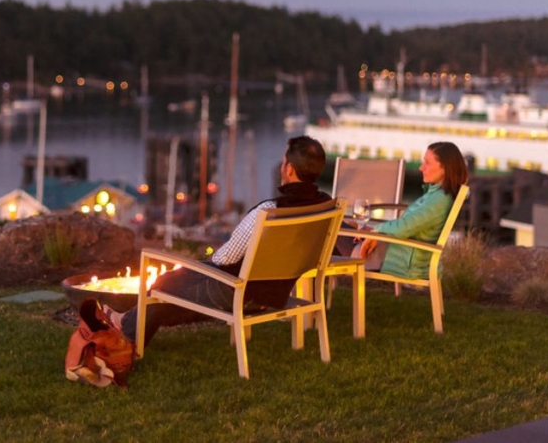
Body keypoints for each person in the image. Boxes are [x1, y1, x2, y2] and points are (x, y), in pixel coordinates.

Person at [105, 135, 332, 345]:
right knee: (176, 282)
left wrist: (203, 265)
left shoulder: (270, 210)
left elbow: (225, 258)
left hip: (238, 293)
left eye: (283, 162)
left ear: (290, 169)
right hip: (276, 293)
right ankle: (125, 321)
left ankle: (126, 335)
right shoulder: (325, 205)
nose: (282, 166)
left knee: (164, 284)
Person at [346, 141, 468, 278]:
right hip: (395, 251)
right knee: (340, 230)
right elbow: (408, 226)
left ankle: (323, 293)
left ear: (445, 168)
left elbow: (404, 227)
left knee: (331, 235)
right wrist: (376, 233)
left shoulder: (438, 200)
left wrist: (376, 231)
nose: (421, 168)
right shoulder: (436, 195)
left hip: (396, 261)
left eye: (427, 163)